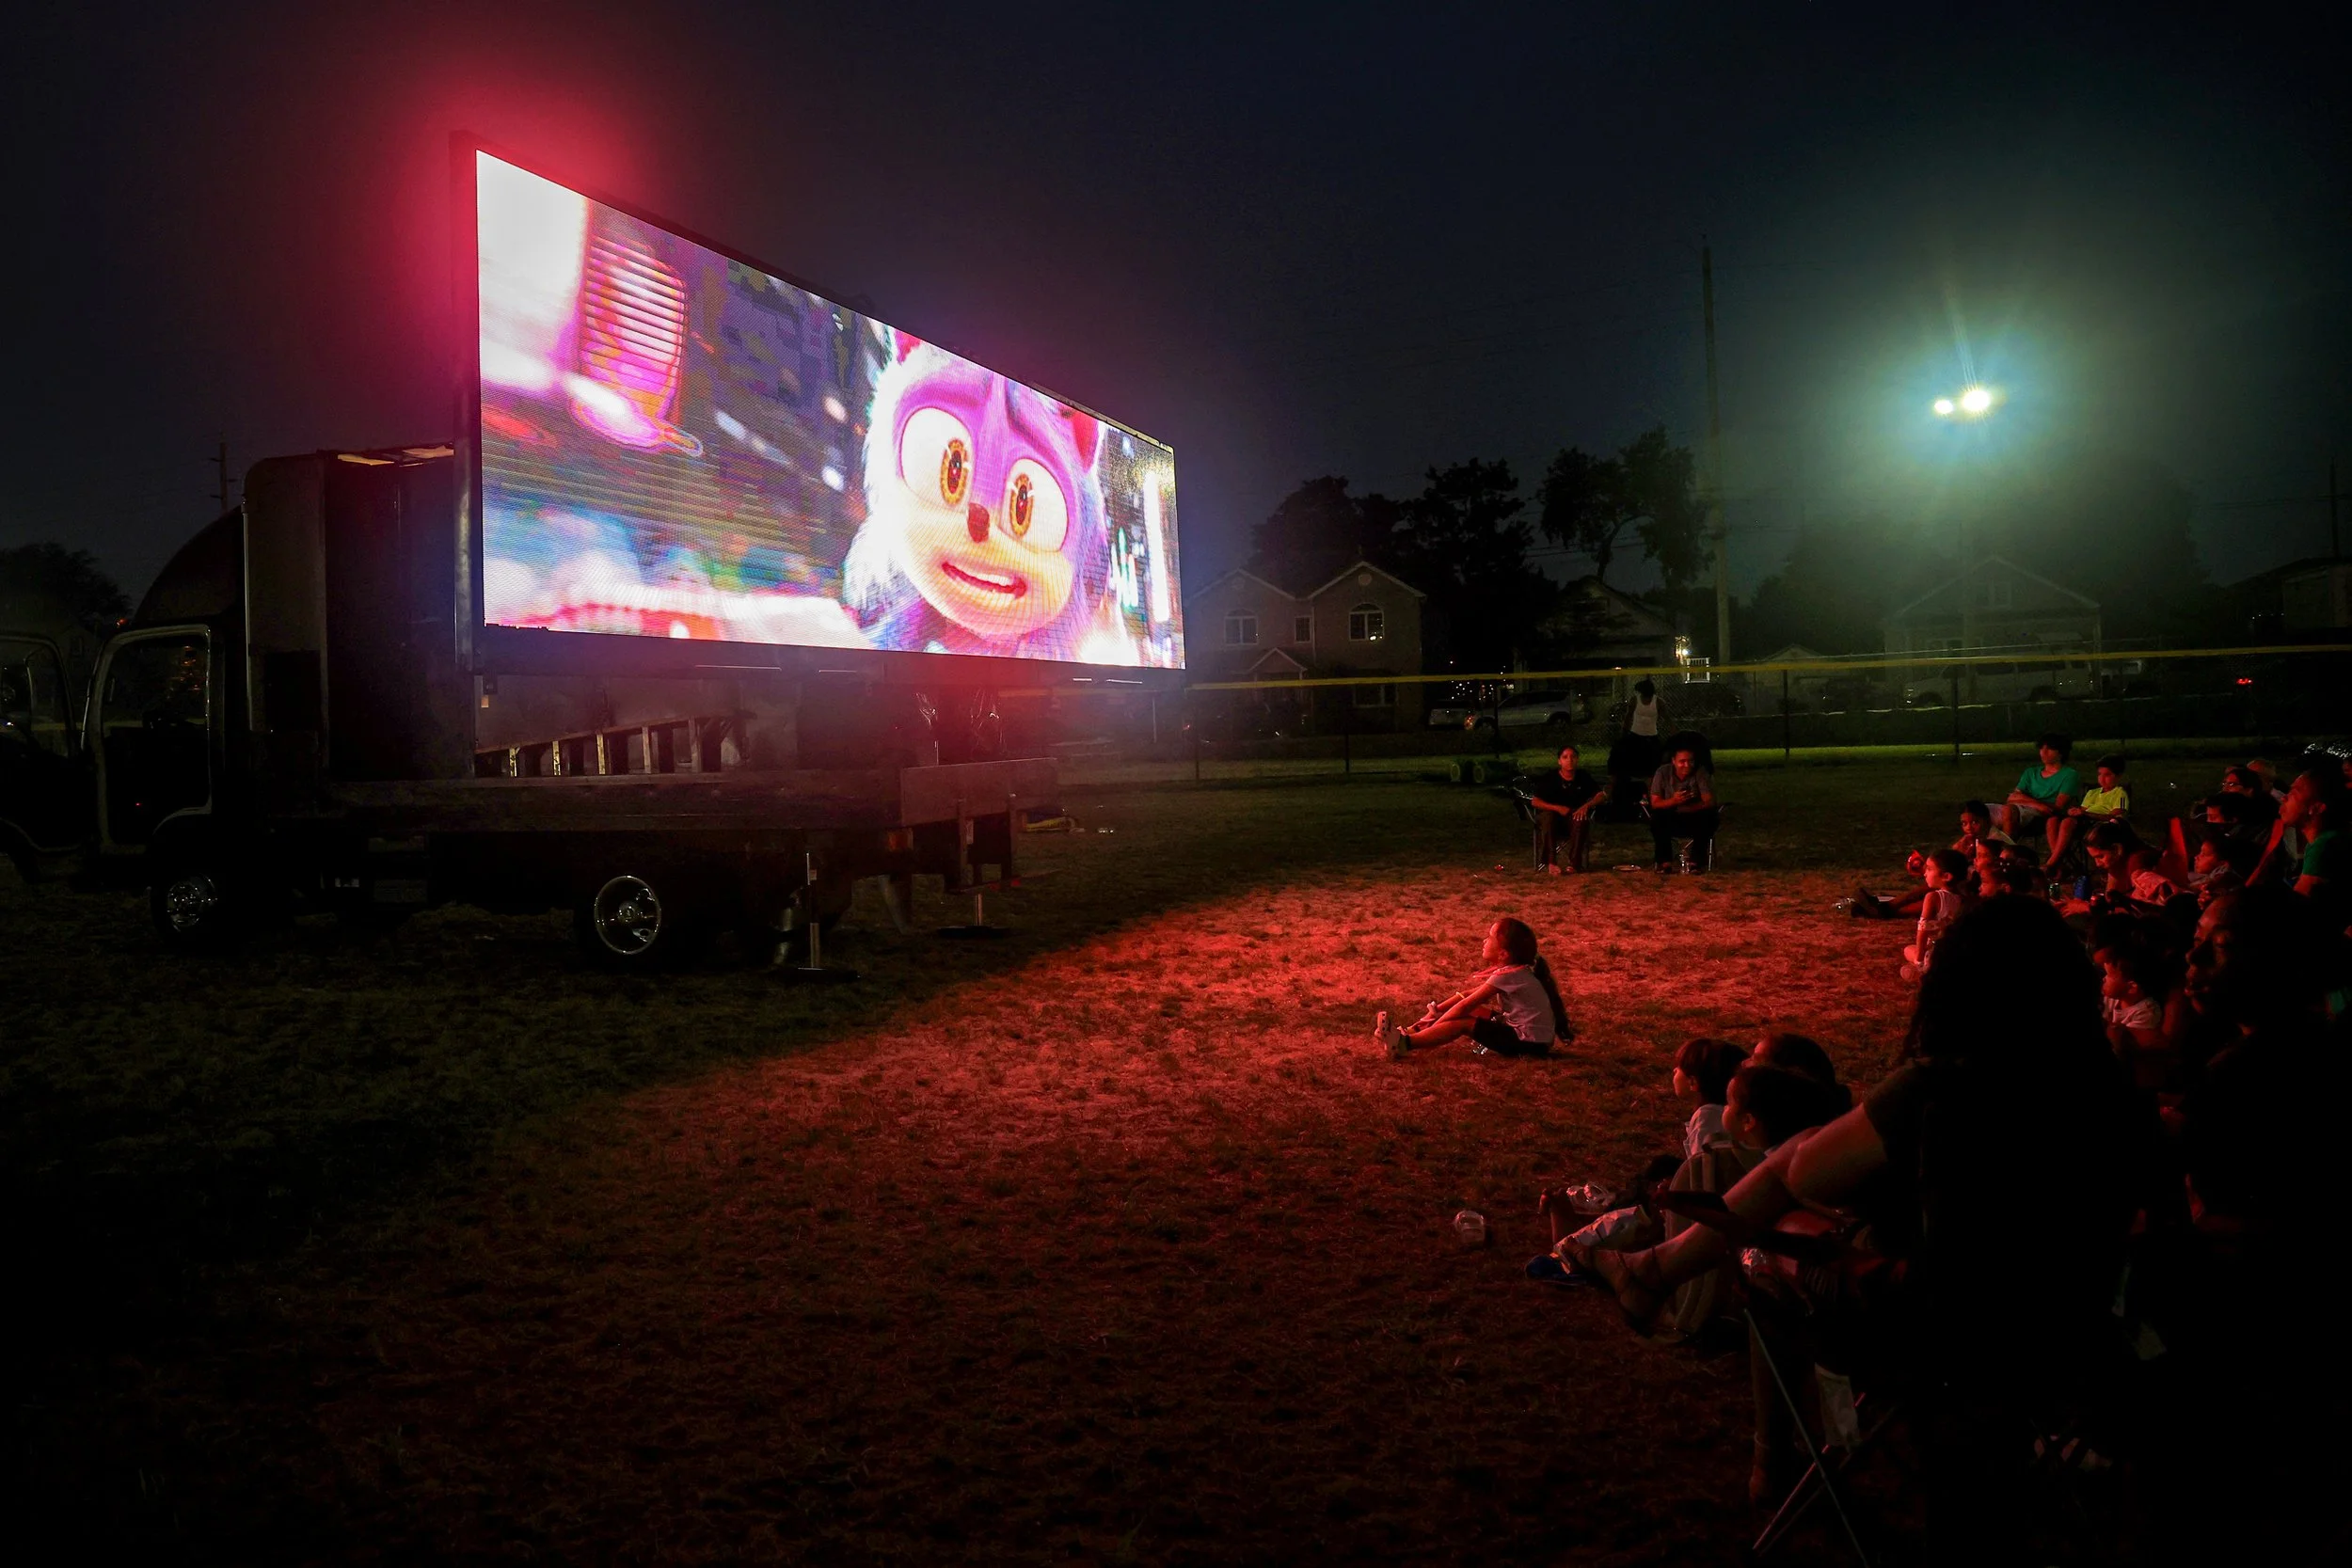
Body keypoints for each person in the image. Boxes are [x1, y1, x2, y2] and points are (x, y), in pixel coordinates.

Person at [1561, 899, 2143, 1549]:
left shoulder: (1941, 1085)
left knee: (1778, 1220)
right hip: (2070, 1339)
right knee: (1809, 1186)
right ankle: (1660, 1279)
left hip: (1937, 1338)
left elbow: (1810, 1177)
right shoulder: (2111, 1086)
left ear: (1956, 988)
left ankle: (1758, 1437)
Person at [1375, 915, 1570, 1058]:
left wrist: (1435, 1024)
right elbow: (1467, 995)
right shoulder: (1515, 970)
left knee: (1463, 1023)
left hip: (1529, 1044)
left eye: (1490, 937)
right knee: (1475, 1012)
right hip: (1535, 1041)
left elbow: (1465, 1006)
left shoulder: (1509, 975)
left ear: (1503, 954)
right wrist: (1433, 1013)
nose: (1485, 940)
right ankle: (1411, 1031)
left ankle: (1403, 1044)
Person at [1997, 733, 2082, 870]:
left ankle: (2005, 856)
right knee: (1989, 812)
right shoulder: (2031, 772)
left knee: (2008, 811)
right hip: (2029, 809)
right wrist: (2036, 804)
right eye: (2041, 748)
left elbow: (2058, 806)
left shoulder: (2069, 775)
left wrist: (2024, 799)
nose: (2043, 752)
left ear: (2061, 752)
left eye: (2049, 749)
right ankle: (1999, 855)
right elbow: (2012, 798)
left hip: (2046, 815)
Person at [1523, 744, 1608, 874]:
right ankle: (1551, 862)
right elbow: (1535, 801)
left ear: (1577, 759)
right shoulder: (1550, 778)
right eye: (1565, 757)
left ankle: (1574, 863)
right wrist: (1557, 808)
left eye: (1573, 757)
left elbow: (1601, 795)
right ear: (1559, 761)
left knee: (1580, 819)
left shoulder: (1583, 777)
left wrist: (1586, 806)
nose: (1569, 760)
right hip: (1551, 816)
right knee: (1548, 818)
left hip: (1573, 816)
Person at [1647, 744, 1719, 873]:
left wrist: (1691, 807)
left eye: (1690, 761)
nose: (1687, 765)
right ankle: (1665, 863)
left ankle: (1696, 863)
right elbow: (1655, 803)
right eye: (1682, 761)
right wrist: (1674, 801)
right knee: (1657, 818)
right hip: (1671, 816)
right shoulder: (1662, 773)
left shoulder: (1700, 772)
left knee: (1709, 817)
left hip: (1695, 816)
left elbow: (1709, 801)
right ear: (1673, 761)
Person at [1902, 847, 1969, 976]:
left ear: (1946, 876)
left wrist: (1919, 960)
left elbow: (1923, 930)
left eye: (1929, 869)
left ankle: (1923, 969)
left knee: (1908, 950)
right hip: (1957, 954)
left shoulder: (1933, 897)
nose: (1925, 874)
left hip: (1937, 953)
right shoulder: (1965, 899)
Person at [2070, 753, 2131, 826]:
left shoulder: (2120, 793)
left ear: (2119, 776)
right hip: (2085, 821)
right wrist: (2075, 812)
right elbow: (2082, 811)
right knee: (2066, 822)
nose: (2102, 778)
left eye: (2107, 775)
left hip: (2103, 825)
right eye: (2099, 774)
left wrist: (2086, 814)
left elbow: (2116, 818)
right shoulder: (2092, 792)